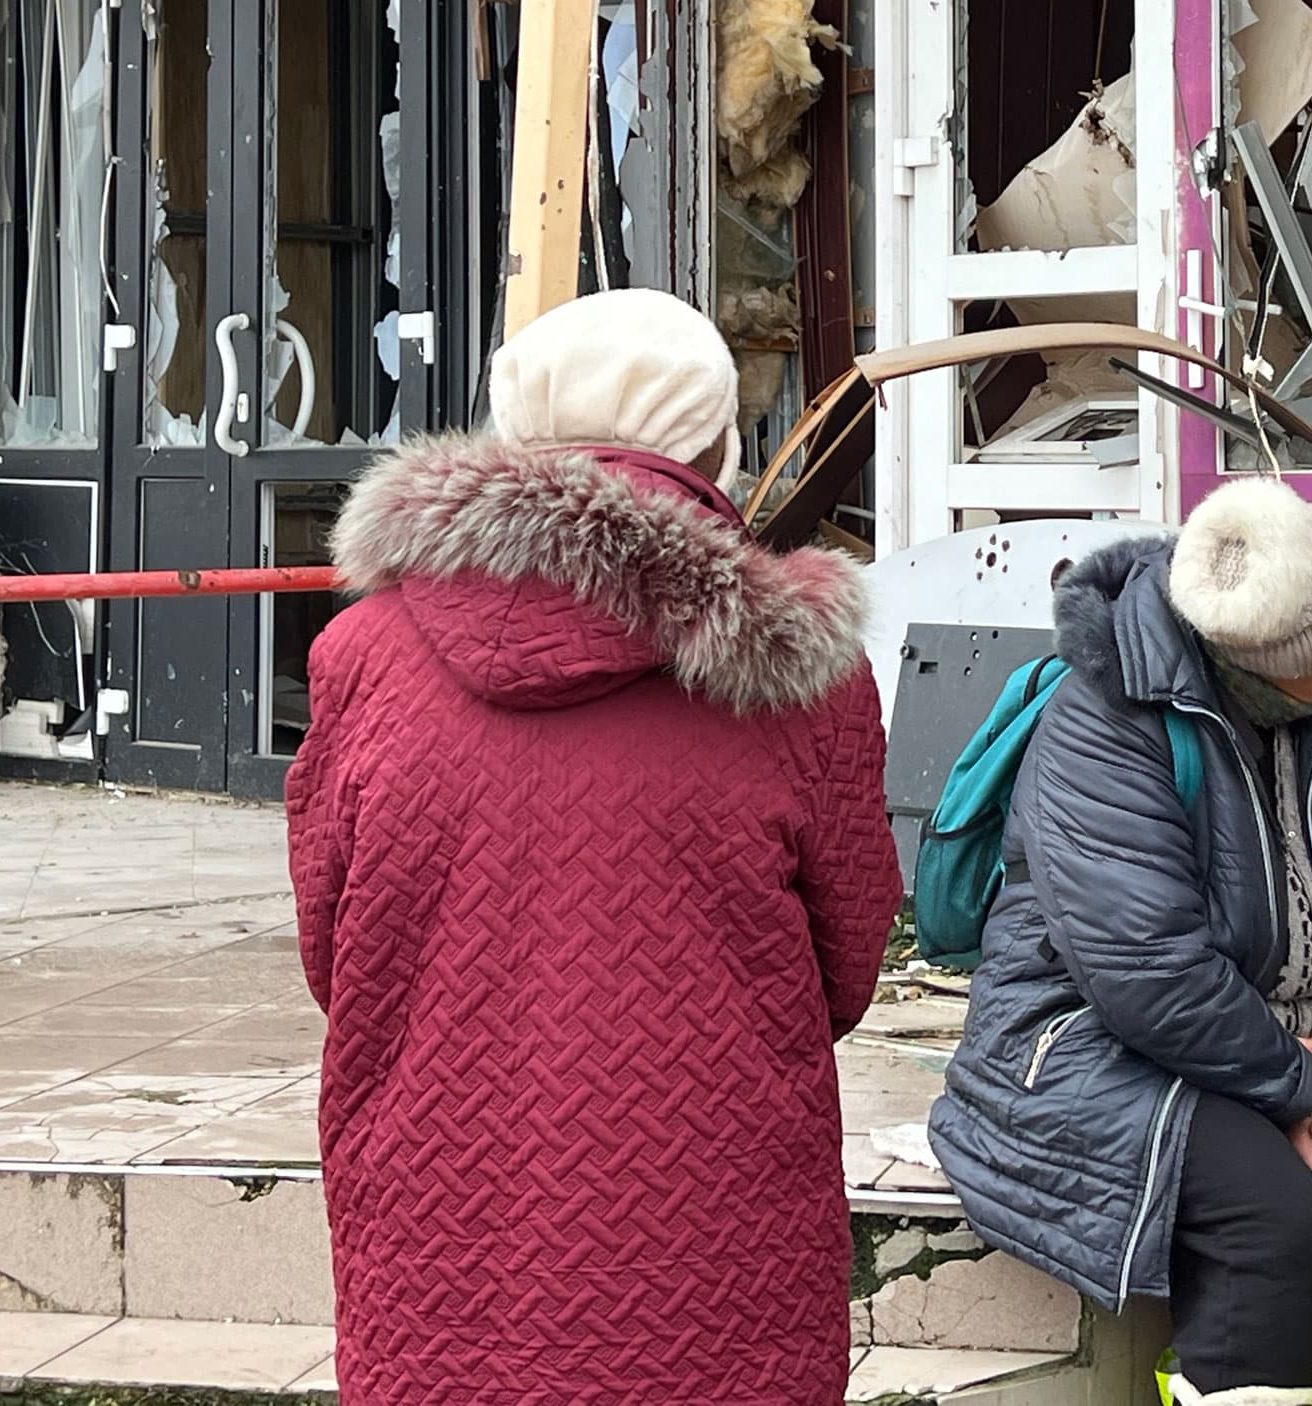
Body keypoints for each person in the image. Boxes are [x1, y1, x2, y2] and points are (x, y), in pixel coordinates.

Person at [286, 289, 902, 1406]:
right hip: (716, 1226)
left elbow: (339, 952)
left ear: (511, 427)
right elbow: (848, 960)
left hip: (442, 1219)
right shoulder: (804, 673)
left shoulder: (362, 654)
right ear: (716, 443)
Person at [929, 479, 1312, 1406]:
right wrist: (1295, 1093)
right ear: (1288, 658)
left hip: (1298, 1035)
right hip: (1085, 1043)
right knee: (1274, 1226)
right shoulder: (1104, 726)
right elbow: (1147, 972)